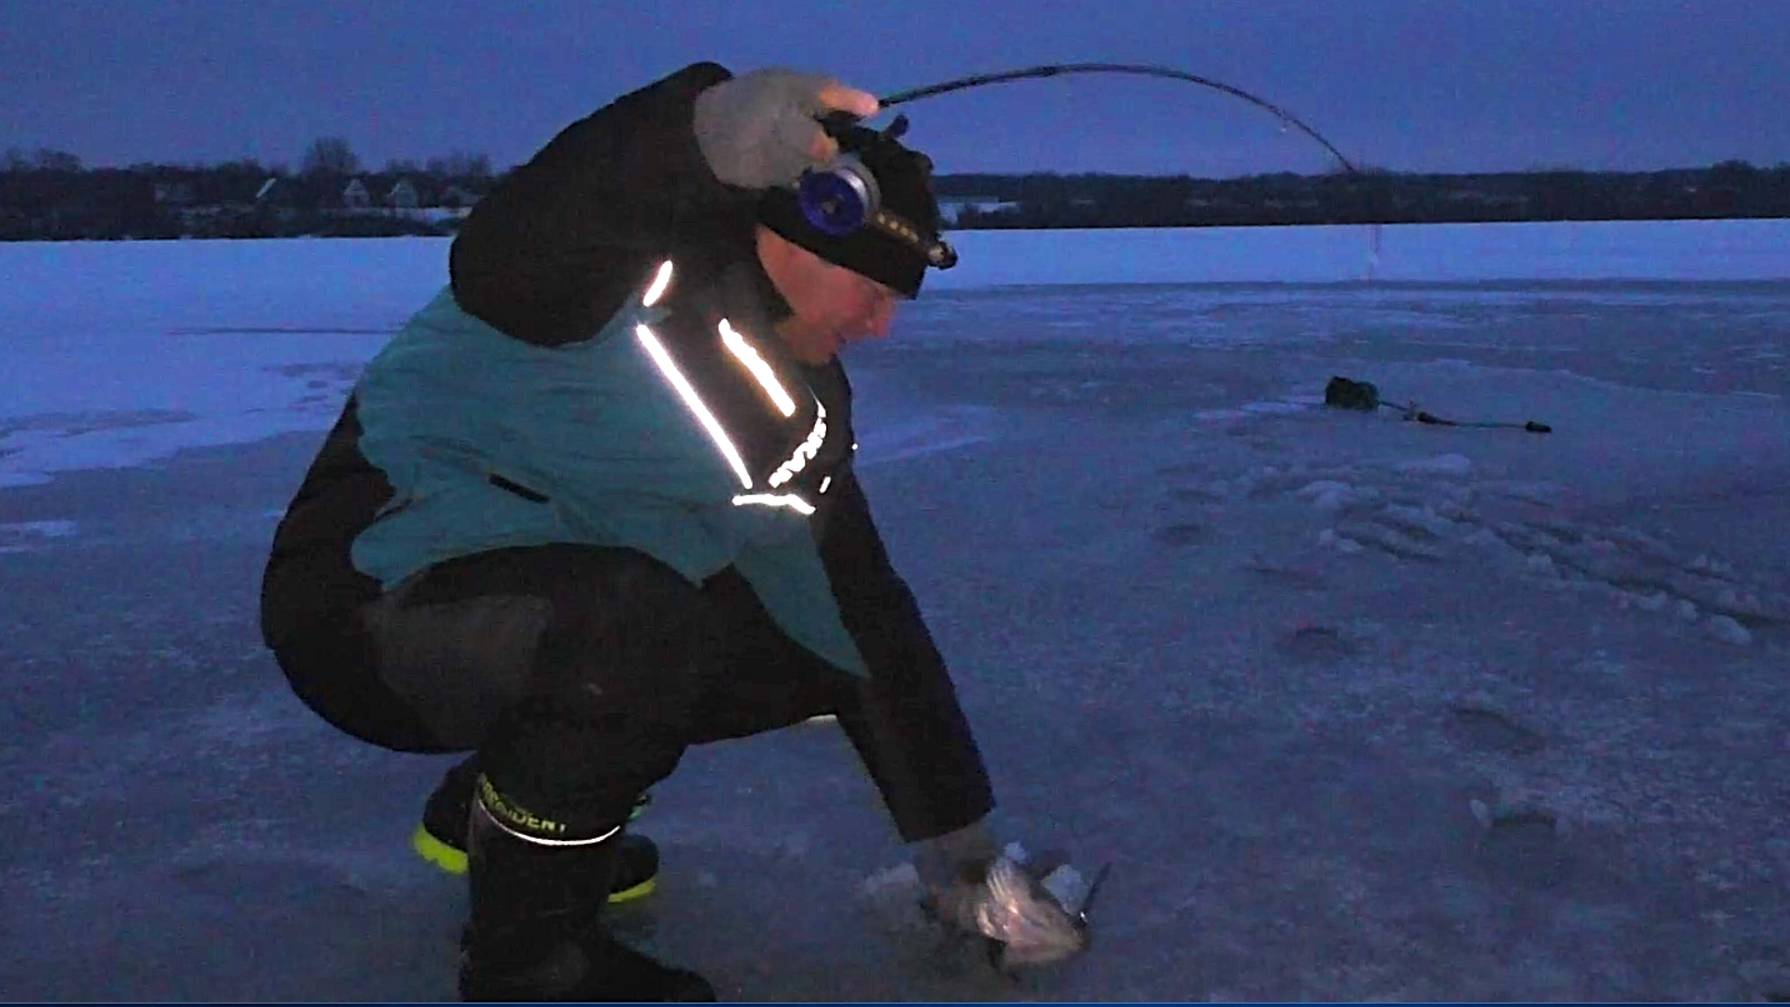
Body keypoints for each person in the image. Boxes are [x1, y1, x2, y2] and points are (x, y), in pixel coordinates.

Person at [260, 63, 1072, 1002]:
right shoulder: (610, 266)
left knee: (808, 654)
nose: (881, 328)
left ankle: (488, 817)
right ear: (810, 231)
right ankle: (531, 969)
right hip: (369, 608)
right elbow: (517, 236)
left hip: (545, 615)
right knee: (639, 627)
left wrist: (965, 869)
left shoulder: (801, 406)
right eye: (875, 293)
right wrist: (704, 132)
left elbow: (860, 617)